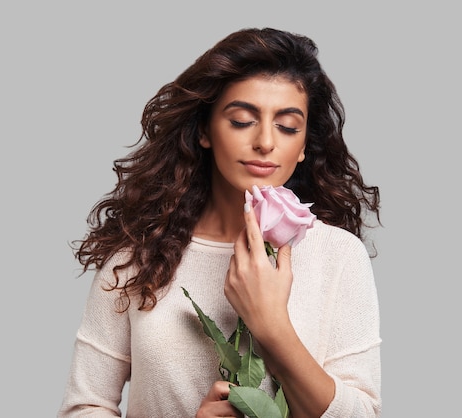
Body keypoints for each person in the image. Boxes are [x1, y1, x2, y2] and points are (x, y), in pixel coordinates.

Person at [58, 27, 382, 418]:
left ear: (303, 148)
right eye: (242, 120)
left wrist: (272, 326)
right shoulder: (137, 256)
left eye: (288, 126)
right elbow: (84, 407)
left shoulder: (339, 256)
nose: (265, 141)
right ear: (205, 131)